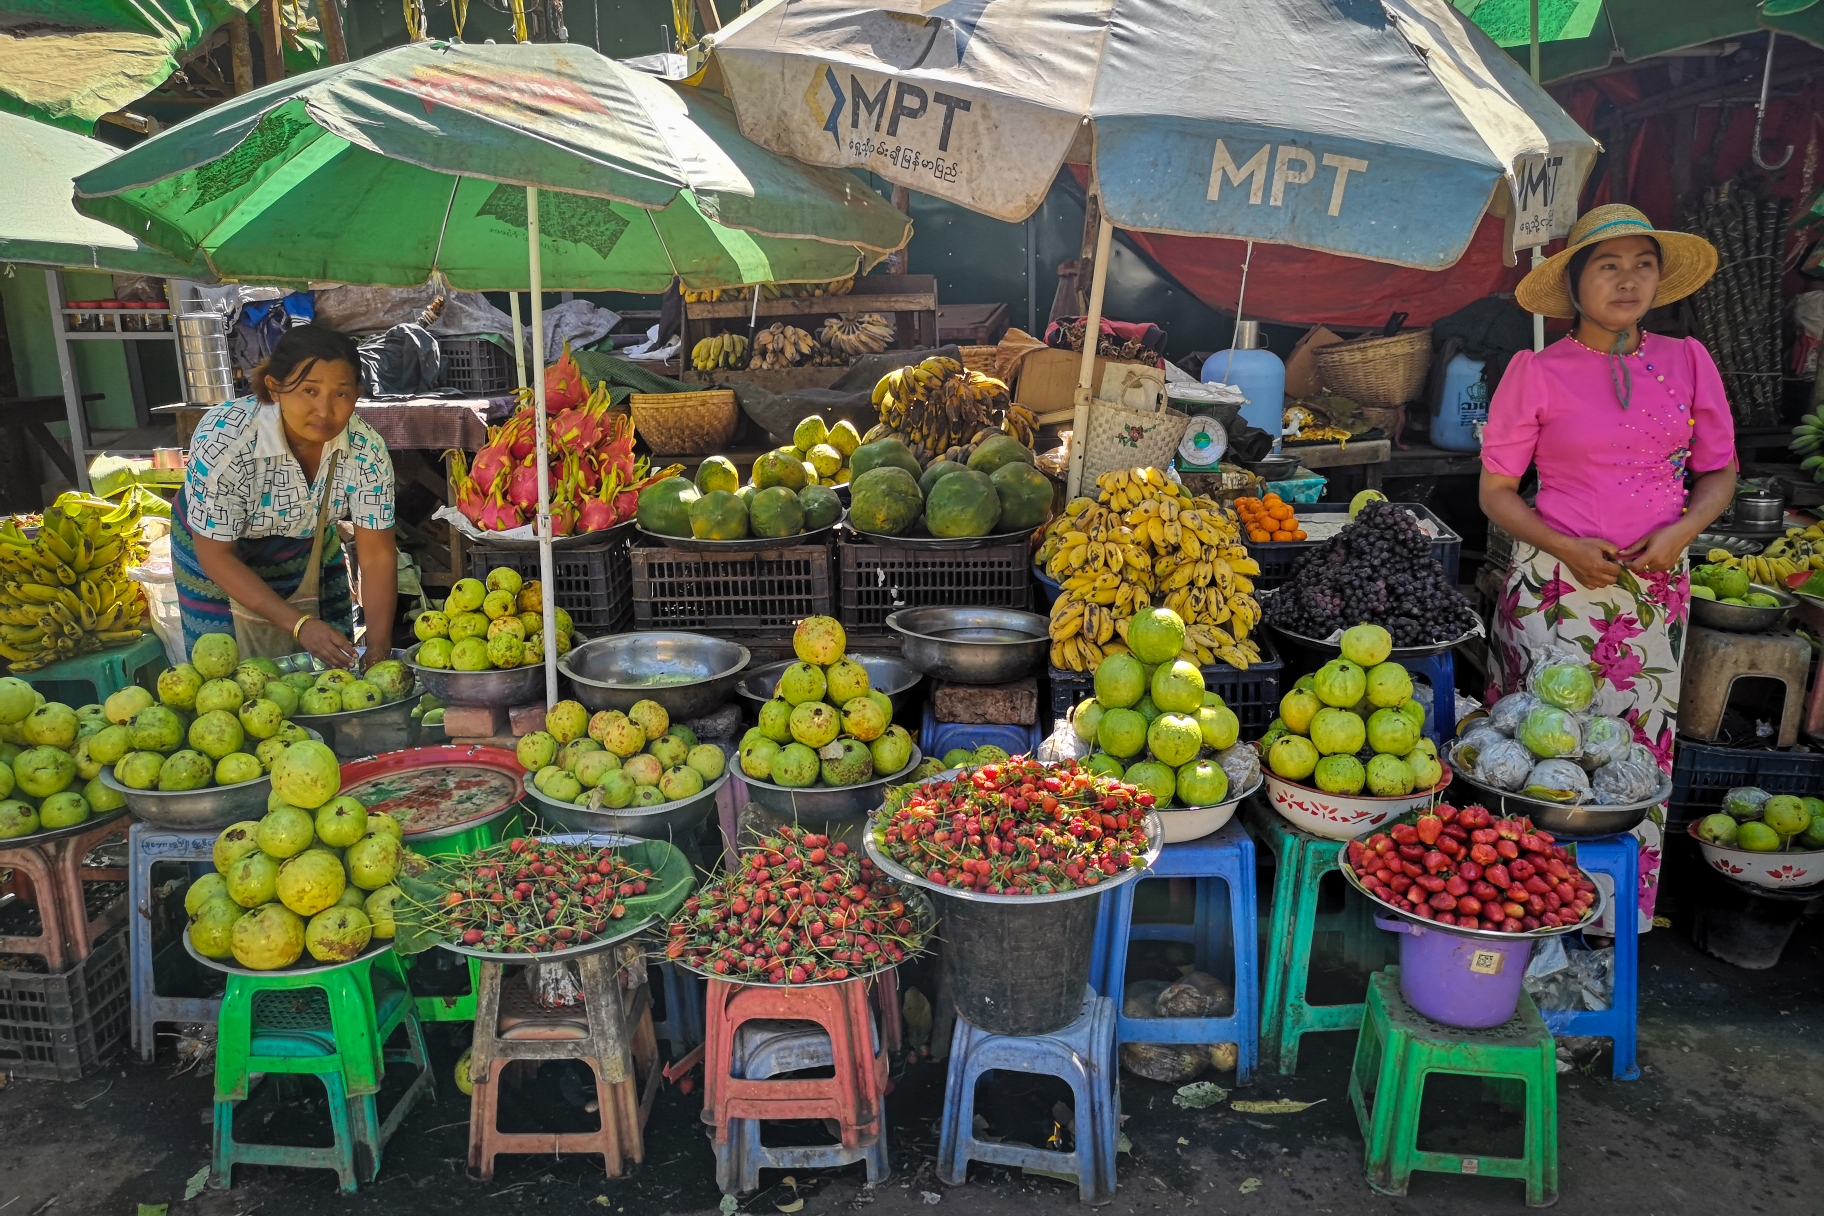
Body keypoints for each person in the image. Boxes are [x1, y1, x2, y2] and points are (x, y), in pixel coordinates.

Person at [1479, 204, 1733, 930]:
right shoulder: (1536, 371)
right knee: (1537, 755)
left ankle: (1612, 921)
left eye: (1642, 264)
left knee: (1631, 754)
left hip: (1652, 597)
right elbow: (1495, 493)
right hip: (1556, 591)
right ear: (1576, 283)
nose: (1628, 280)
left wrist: (1683, 530)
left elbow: (1720, 474)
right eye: (1608, 265)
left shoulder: (1688, 361)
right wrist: (1564, 546)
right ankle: (1521, 912)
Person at [173, 325, 398, 670]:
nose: (324, 410)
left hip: (306, 546)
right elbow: (216, 555)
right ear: (275, 389)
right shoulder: (227, 439)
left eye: (340, 394)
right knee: (228, 674)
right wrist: (300, 624)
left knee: (330, 672)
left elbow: (377, 557)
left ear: (357, 394)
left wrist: (379, 650)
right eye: (309, 391)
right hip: (216, 550)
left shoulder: (366, 451)